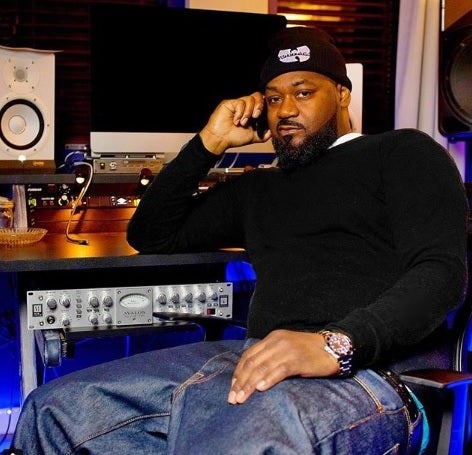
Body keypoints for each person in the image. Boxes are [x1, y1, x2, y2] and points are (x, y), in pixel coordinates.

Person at [10, 26, 468, 455]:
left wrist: (334, 344)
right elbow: (150, 232)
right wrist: (209, 142)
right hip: (248, 360)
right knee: (53, 410)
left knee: (250, 433)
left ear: (342, 93)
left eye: (303, 92)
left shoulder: (402, 153)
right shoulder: (257, 189)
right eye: (273, 98)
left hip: (364, 373)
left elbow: (442, 273)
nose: (285, 110)